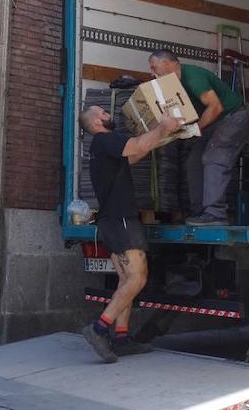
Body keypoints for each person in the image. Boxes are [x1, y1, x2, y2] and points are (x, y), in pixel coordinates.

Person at [79, 105, 181, 363]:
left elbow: (136, 152)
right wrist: (162, 127)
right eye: (103, 112)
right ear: (97, 121)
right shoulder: (105, 140)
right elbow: (135, 146)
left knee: (126, 282)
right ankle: (99, 328)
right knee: (137, 278)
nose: (107, 114)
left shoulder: (101, 148)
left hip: (111, 221)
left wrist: (162, 133)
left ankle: (121, 338)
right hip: (121, 219)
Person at [148, 49, 249, 227]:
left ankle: (216, 214)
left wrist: (196, 128)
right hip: (215, 122)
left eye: (154, 67)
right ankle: (199, 212)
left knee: (212, 158)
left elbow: (215, 107)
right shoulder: (174, 86)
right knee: (193, 162)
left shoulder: (193, 77)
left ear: (167, 63)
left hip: (232, 118)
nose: (152, 73)